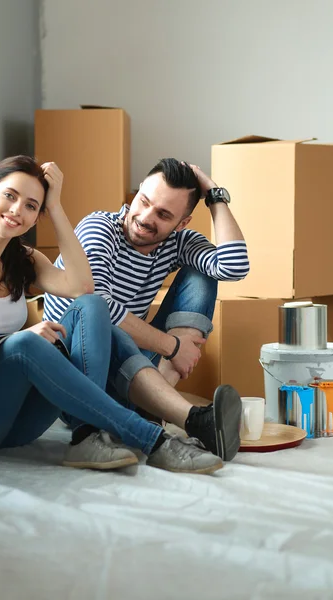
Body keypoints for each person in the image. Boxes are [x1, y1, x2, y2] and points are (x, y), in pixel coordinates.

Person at [0, 155, 227, 476]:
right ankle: (154, 440)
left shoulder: (23, 260)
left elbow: (84, 287)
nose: (17, 210)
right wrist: (15, 341)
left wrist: (55, 206)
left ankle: (87, 434)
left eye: (31, 206)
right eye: (10, 196)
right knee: (24, 346)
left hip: (15, 426)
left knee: (92, 305)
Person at [43, 158, 250, 459]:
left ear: (181, 224)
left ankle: (151, 413)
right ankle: (187, 417)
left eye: (164, 214)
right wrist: (172, 346)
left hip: (131, 373)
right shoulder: (100, 228)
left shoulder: (177, 243)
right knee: (102, 317)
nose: (145, 217)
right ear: (137, 193)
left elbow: (233, 266)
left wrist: (214, 194)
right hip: (78, 378)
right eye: (144, 201)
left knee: (204, 272)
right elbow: (97, 305)